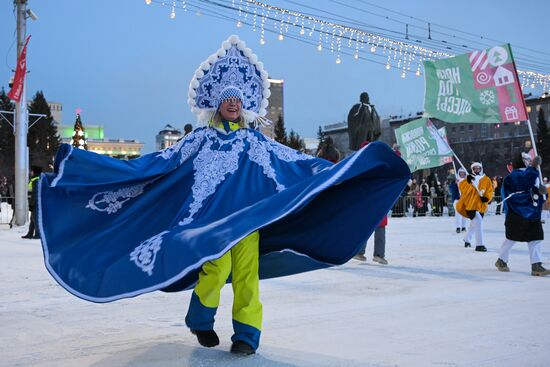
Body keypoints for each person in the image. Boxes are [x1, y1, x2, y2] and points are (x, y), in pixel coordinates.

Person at [38, 35, 411, 358]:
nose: (232, 103)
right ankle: (200, 318)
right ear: (217, 102)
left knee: (247, 274)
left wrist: (341, 169)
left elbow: (291, 162)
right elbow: (160, 163)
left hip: (247, 218)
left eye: (237, 99)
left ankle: (247, 335)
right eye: (226, 98)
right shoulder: (200, 139)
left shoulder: (254, 140)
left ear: (243, 104)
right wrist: (89, 166)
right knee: (215, 268)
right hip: (207, 220)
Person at [495, 153, 549, 276]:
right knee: (511, 238)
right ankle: (501, 260)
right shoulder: (514, 176)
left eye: (531, 160)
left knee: (536, 239)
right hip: (517, 212)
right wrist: (534, 168)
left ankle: (536, 265)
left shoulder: (532, 174)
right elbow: (523, 184)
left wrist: (542, 193)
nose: (530, 161)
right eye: (527, 160)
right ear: (520, 161)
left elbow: (536, 196)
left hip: (532, 213)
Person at [456, 162, 494, 252]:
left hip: (481, 206)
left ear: (481, 169)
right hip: (470, 206)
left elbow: (489, 191)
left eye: (478, 168)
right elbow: (462, 189)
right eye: (475, 169)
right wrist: (469, 182)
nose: (477, 170)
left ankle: (467, 239)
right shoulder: (468, 179)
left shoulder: (486, 179)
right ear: (472, 169)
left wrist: (486, 198)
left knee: (474, 224)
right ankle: (479, 245)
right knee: (478, 221)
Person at [22, 166, 42, 239]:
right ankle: (30, 233)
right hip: (35, 201)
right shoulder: (35, 179)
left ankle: (38, 234)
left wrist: (32, 204)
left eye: (31, 171)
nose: (30, 172)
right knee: (32, 218)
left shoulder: (36, 179)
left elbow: (35, 193)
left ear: (34, 171)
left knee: (35, 218)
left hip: (36, 202)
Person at [449, 168, 469, 233]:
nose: (462, 174)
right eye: (461, 173)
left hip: (465, 199)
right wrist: (455, 184)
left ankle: (463, 226)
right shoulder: (455, 181)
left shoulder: (468, 181)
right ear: (459, 173)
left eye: (463, 173)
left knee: (465, 214)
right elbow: (451, 189)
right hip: (457, 199)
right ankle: (458, 227)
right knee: (458, 214)